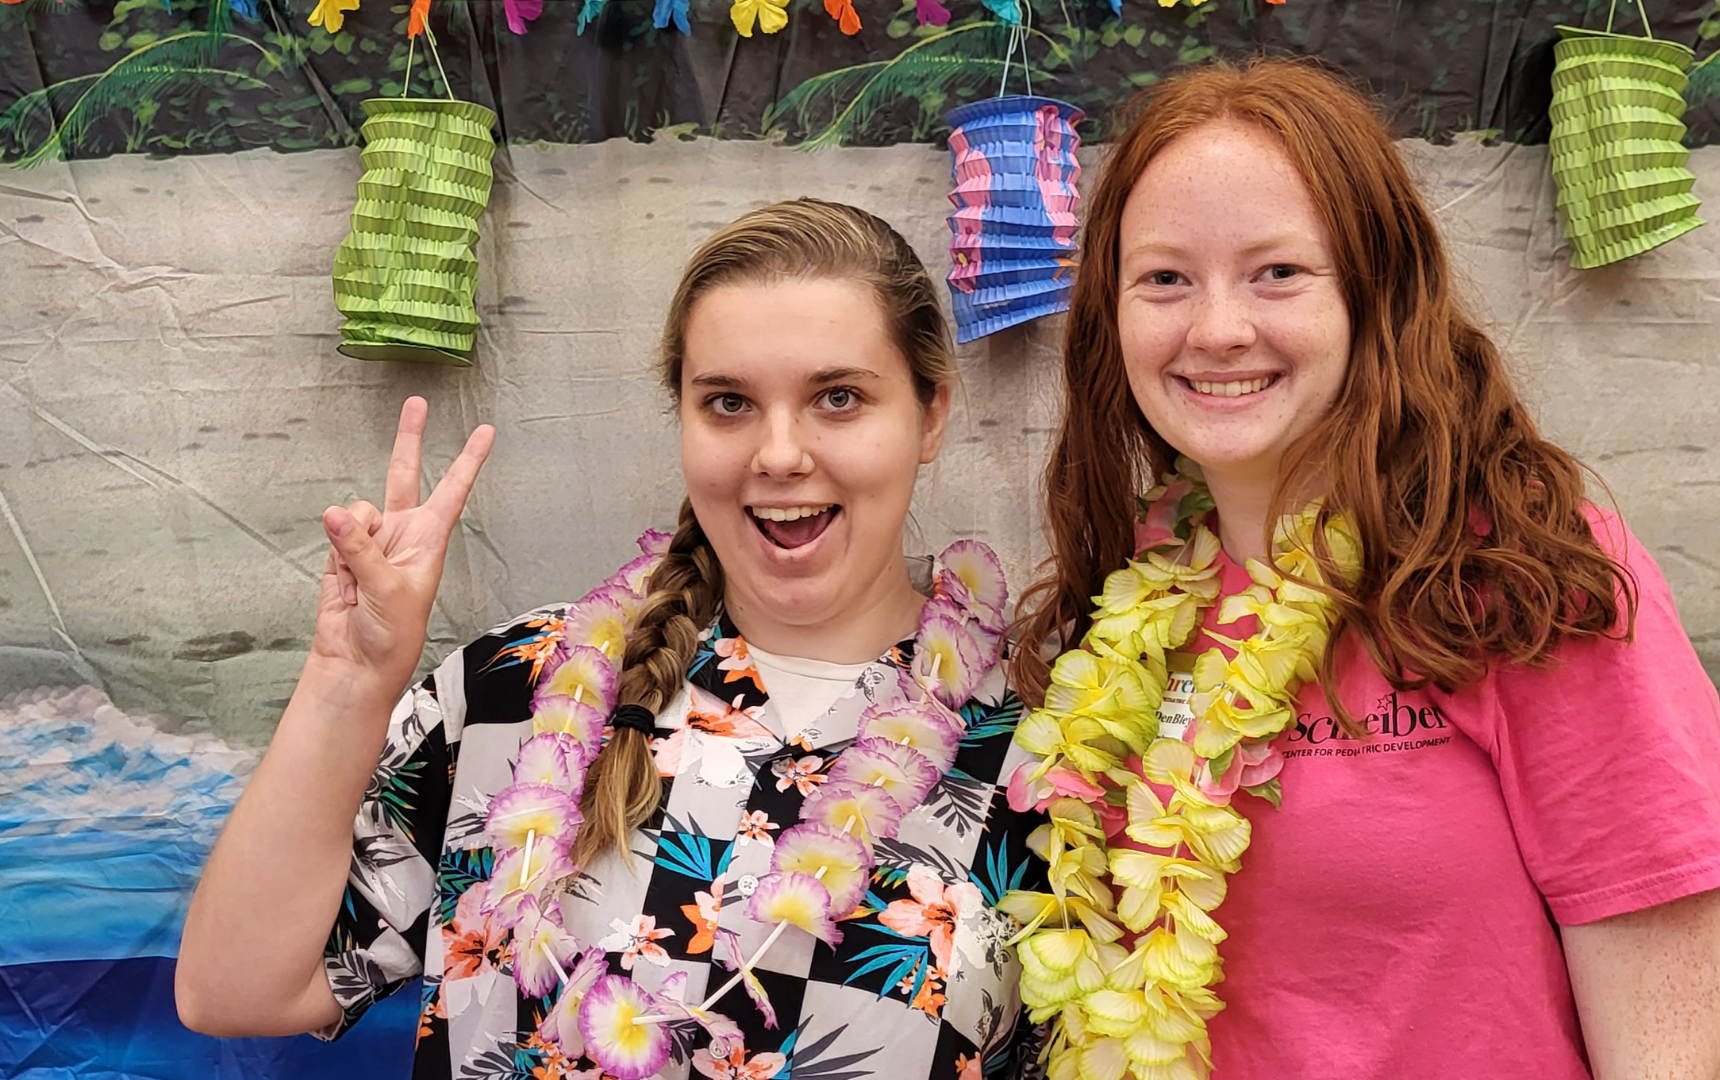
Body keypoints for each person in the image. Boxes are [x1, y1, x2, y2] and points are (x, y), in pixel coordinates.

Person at [175, 199, 1047, 1080]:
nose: (779, 454)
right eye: (730, 402)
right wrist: (349, 679)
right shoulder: (515, 697)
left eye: (838, 397)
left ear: (930, 415)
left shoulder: (1041, 758)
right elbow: (236, 992)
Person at [1002, 58, 1720, 1080]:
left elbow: (1670, 1056)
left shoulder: (1528, 580)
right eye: (1164, 278)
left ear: (1371, 291)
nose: (1216, 329)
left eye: (1277, 272)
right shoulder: (1124, 605)